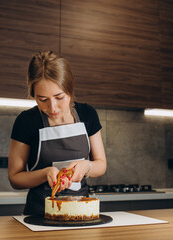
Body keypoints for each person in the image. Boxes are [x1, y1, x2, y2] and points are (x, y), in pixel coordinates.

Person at [8, 50, 107, 216]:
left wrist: (86, 166)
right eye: (43, 99)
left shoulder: (88, 114)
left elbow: (101, 164)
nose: (52, 108)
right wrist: (46, 173)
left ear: (69, 88)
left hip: (81, 213)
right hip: (39, 214)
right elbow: (15, 178)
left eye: (59, 97)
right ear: (33, 95)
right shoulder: (26, 121)